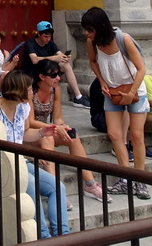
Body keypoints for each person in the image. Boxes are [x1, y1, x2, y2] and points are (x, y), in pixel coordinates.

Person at [81, 6, 150, 199]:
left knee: (136, 136)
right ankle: (125, 176)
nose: (88, 33)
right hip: (111, 91)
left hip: (134, 90)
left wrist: (132, 93)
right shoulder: (91, 41)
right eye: (86, 29)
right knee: (114, 134)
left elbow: (141, 69)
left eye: (90, 29)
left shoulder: (123, 39)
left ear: (101, 26)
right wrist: (102, 81)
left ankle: (140, 179)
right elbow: (93, 61)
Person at [0, 70, 71, 237]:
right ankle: (43, 235)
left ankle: (63, 234)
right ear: (18, 90)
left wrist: (42, 132)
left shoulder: (23, 107)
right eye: (29, 89)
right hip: (6, 164)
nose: (31, 92)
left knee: (57, 187)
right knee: (32, 186)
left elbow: (25, 134)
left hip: (21, 160)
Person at [32, 60, 111, 202]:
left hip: (47, 130)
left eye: (59, 74)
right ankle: (55, 190)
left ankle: (90, 184)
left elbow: (58, 118)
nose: (58, 78)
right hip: (30, 134)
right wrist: (55, 128)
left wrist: (64, 126)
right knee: (47, 138)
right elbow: (30, 122)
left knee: (73, 136)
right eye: (54, 75)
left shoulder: (55, 90)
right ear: (42, 77)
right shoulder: (31, 91)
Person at [22, 21, 91, 108]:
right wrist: (53, 58)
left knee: (65, 65)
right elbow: (34, 60)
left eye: (49, 36)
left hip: (47, 72)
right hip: (33, 72)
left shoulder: (50, 43)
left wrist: (65, 57)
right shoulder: (30, 43)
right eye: (45, 36)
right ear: (38, 34)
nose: (48, 39)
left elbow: (59, 54)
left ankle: (78, 97)